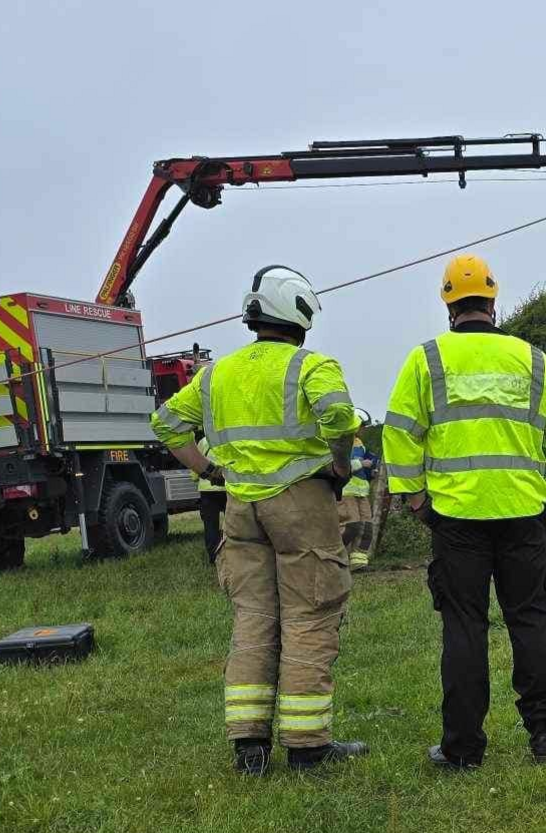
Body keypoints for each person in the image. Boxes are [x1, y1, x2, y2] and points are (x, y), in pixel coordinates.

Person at [150, 264, 367, 776]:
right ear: (300, 312)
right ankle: (307, 746)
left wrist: (210, 469)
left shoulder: (217, 373)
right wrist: (339, 464)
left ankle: (249, 747)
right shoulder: (312, 366)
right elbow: (340, 417)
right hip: (302, 506)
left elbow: (166, 424)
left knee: (253, 621)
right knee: (309, 616)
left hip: (241, 510)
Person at [383, 253, 546, 771]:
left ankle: (463, 749)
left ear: (448, 303)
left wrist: (415, 499)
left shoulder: (426, 360)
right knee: (531, 618)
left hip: (456, 519)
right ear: (493, 302)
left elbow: (400, 433)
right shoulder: (532, 359)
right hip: (523, 514)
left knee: (465, 628)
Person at [338, 436, 377, 570]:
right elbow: (337, 466)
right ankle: (334, 558)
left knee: (366, 527)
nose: (363, 429)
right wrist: (361, 464)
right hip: (345, 491)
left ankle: (358, 563)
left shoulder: (359, 443)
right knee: (350, 526)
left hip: (362, 492)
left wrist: (370, 471)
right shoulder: (337, 440)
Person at [195, 435, 227, 564]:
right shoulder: (227, 437)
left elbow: (196, 465)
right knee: (231, 524)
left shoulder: (204, 441)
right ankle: (232, 555)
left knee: (210, 526)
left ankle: (213, 558)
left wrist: (196, 478)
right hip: (226, 488)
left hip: (207, 491)